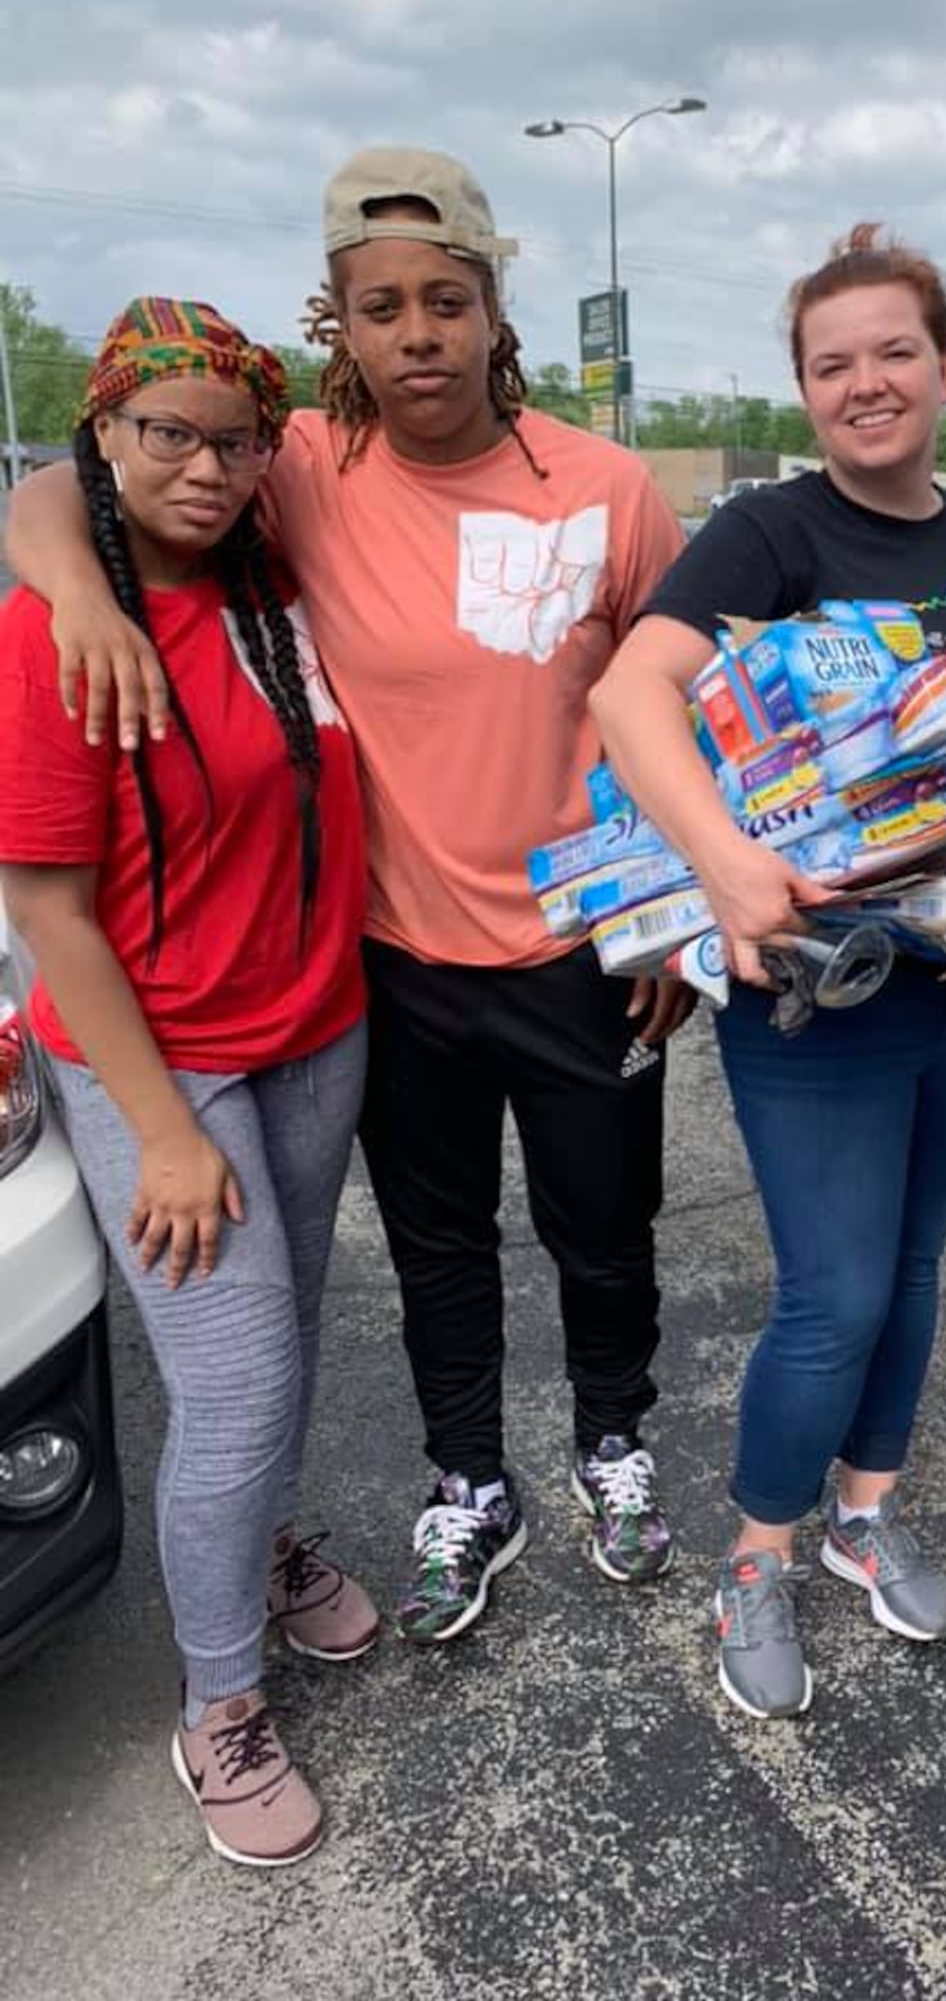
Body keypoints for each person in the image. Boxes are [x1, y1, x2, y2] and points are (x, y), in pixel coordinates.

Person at [4, 149, 693, 1645]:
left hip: (585, 945)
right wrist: (69, 591)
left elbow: (678, 697)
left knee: (605, 1223)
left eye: (446, 298)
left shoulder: (612, 486)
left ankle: (614, 1441)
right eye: (382, 307)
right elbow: (72, 474)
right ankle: (468, 1478)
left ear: (493, 303)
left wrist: (672, 908)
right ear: (342, 322)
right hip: (396, 962)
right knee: (438, 1245)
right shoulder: (300, 464)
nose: (418, 332)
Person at [591, 224, 946, 1717]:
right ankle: (759, 1553)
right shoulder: (773, 536)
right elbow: (626, 694)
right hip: (824, 988)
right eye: (832, 362)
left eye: (893, 353)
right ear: (804, 386)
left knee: (914, 1266)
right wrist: (732, 868)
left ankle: (865, 1513)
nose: (867, 384)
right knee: (832, 1292)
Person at [0, 299, 374, 1866]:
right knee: (232, 1381)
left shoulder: (269, 578)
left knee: (282, 1339)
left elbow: (44, 495)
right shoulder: (57, 634)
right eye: (167, 432)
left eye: (235, 438)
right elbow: (45, 910)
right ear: (103, 432)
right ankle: (216, 1697)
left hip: (315, 1029)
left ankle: (259, 1544)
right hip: (167, 1065)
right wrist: (158, 1131)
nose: (207, 466)